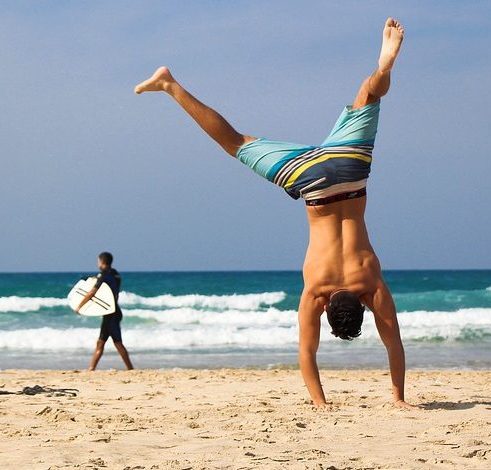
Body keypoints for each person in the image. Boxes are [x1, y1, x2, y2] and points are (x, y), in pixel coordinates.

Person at [135, 18, 414, 409]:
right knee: (235, 142)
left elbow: (395, 345)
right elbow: (307, 353)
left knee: (369, 95)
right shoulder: (316, 291)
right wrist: (322, 402)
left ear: (361, 306)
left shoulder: (370, 284)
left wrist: (398, 397)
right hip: (311, 184)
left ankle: (382, 67)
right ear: (326, 310)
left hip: (349, 170)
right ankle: (169, 85)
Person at [75, 251, 134, 371]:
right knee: (101, 342)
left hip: (110, 314)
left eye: (98, 261)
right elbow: (111, 287)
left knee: (117, 342)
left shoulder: (103, 276)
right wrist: (95, 278)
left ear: (102, 262)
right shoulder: (115, 274)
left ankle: (130, 369)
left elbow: (92, 293)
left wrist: (79, 306)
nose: (97, 263)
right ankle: (91, 369)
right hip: (114, 311)